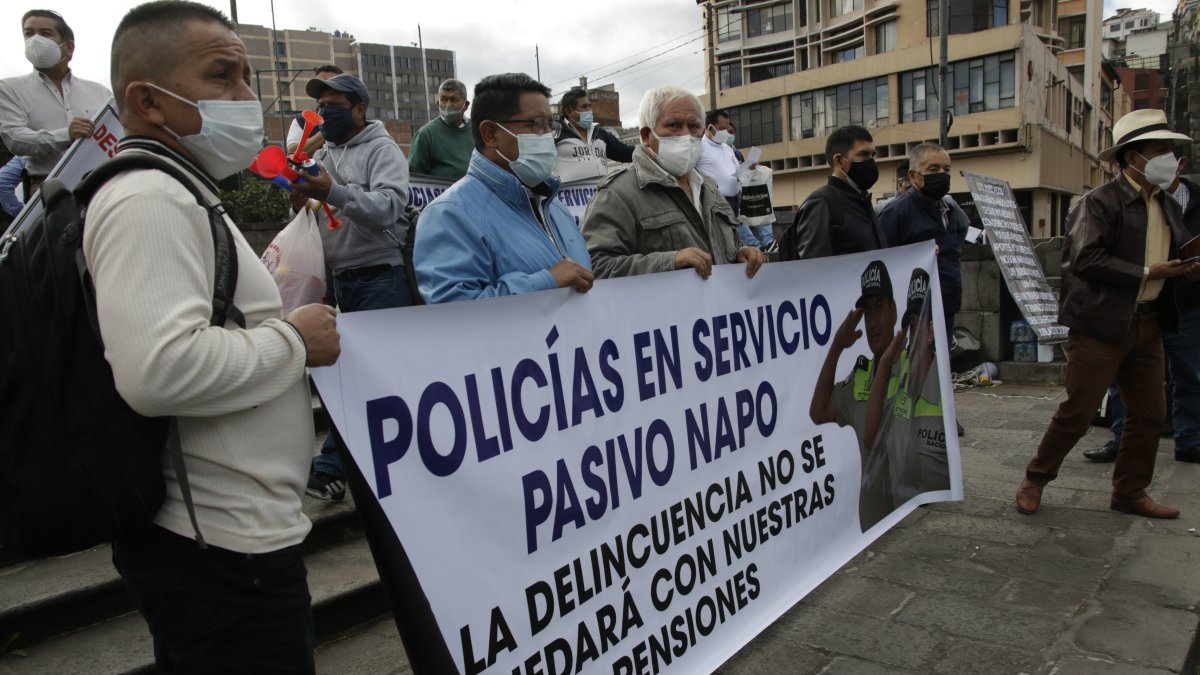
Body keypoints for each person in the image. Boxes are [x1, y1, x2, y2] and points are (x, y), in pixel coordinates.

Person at [93, 2, 340, 670]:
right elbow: (159, 369)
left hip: (238, 544)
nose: (247, 99)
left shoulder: (183, 191)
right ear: (148, 100)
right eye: (222, 76)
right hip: (219, 555)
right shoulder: (148, 198)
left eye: (248, 78)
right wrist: (293, 340)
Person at [1016, 109, 1200, 519]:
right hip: (1100, 324)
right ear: (1132, 157)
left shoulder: (1167, 204)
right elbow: (1086, 258)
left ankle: (1130, 491)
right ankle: (1036, 477)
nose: (1169, 158)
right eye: (1160, 150)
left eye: (1171, 150)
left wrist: (1186, 268)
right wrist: (1150, 272)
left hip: (1148, 322)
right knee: (1079, 412)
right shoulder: (1098, 202)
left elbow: (1183, 251)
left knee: (1150, 414)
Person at [289, 73, 413, 500]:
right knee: (348, 375)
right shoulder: (319, 153)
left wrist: (334, 191)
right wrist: (299, 194)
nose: (325, 113)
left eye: (335, 104)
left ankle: (331, 466)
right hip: (340, 281)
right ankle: (367, 466)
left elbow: (391, 208)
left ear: (360, 109)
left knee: (367, 378)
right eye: (320, 106)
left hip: (381, 277)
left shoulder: (382, 150)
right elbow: (318, 210)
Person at [414, 73, 593, 303]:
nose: (548, 136)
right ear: (490, 134)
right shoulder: (449, 214)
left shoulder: (554, 206)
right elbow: (453, 316)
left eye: (551, 125)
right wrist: (547, 281)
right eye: (537, 125)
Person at [580, 84, 765, 280]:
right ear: (646, 135)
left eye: (693, 126)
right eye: (674, 125)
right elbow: (596, 267)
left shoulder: (709, 189)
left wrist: (741, 254)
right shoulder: (618, 194)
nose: (686, 135)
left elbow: (726, 247)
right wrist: (669, 262)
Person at [1085, 154, 1200, 464]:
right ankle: (1121, 439)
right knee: (1125, 377)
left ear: (1181, 163)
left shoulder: (1190, 202)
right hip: (1136, 303)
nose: (1156, 161)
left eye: (1164, 153)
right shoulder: (1119, 200)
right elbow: (1094, 255)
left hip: (1186, 303)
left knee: (1190, 373)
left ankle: (1189, 439)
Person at [809, 260, 901, 532]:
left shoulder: (915, 367)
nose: (873, 322)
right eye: (867, 313)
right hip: (872, 534)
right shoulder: (861, 377)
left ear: (894, 311)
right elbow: (818, 412)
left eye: (880, 309)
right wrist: (837, 346)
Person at [0, 9, 112, 198]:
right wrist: (65, 135)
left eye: (45, 33)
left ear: (68, 47)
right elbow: (16, 139)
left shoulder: (100, 92)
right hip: (49, 190)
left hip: (101, 187)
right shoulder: (10, 88)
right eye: (28, 33)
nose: (35, 40)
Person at [863, 268, 952, 507]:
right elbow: (871, 439)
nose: (913, 337)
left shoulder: (939, 386)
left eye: (917, 325)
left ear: (932, 331)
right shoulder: (897, 373)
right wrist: (883, 367)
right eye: (910, 327)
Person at [877, 143, 962, 342]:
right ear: (913, 176)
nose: (942, 174)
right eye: (933, 169)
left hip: (946, 310)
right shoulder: (897, 213)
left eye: (946, 169)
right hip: (915, 316)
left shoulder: (950, 210)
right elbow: (882, 261)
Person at [788, 125, 886, 260]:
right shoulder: (822, 204)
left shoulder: (862, 200)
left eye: (872, 155)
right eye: (863, 154)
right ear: (839, 160)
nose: (870, 161)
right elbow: (813, 268)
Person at [696, 109, 776, 253]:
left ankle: (761, 244)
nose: (726, 132)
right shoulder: (700, 146)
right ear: (709, 127)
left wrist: (749, 167)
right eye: (721, 128)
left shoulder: (727, 148)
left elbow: (737, 171)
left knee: (735, 236)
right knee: (723, 241)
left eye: (727, 129)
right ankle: (755, 247)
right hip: (715, 202)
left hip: (734, 200)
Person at [552, 87, 634, 183]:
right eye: (584, 107)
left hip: (599, 195)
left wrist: (649, 149)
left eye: (589, 106)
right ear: (569, 111)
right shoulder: (555, 131)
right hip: (567, 195)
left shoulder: (599, 133)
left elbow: (625, 152)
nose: (589, 110)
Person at [407, 78, 474, 180]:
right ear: (438, 103)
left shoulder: (478, 131)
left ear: (466, 105)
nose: (448, 105)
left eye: (454, 100)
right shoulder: (426, 134)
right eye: (443, 99)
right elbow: (414, 176)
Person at [285, 64, 342, 155]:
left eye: (331, 84)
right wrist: (326, 132)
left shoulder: (353, 118)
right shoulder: (301, 120)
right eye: (320, 85)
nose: (325, 90)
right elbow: (293, 153)